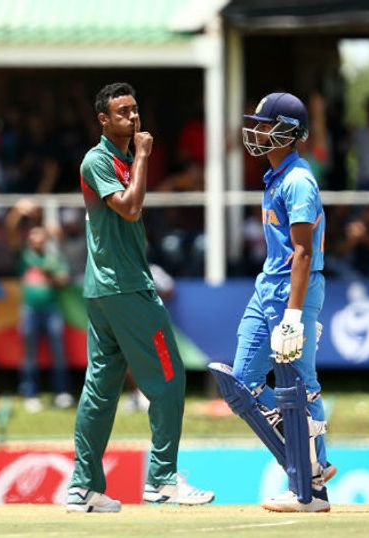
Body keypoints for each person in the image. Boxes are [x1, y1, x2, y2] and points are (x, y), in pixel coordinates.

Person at [66, 82, 214, 513]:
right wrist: (146, 155)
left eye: (135, 110)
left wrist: (140, 158)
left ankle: (84, 488)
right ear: (103, 120)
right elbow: (129, 208)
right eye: (122, 112)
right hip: (124, 286)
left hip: (107, 288)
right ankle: (163, 479)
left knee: (102, 388)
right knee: (169, 378)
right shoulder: (99, 159)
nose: (132, 117)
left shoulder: (126, 158)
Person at [210, 92, 332, 513]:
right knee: (242, 383)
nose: (257, 131)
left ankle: (310, 480)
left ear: (288, 132)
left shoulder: (299, 180)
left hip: (291, 290)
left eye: (265, 124)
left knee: (299, 381)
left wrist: (294, 317)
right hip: (269, 286)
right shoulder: (277, 176)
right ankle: (310, 458)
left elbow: (303, 252)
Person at [18, 226, 73, 412]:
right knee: (29, 355)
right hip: (29, 311)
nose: (37, 240)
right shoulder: (24, 256)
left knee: (58, 354)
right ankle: (30, 394)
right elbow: (11, 234)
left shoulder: (53, 258)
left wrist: (50, 275)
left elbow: (64, 280)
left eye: (41, 237)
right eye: (34, 236)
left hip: (52, 310)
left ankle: (61, 392)